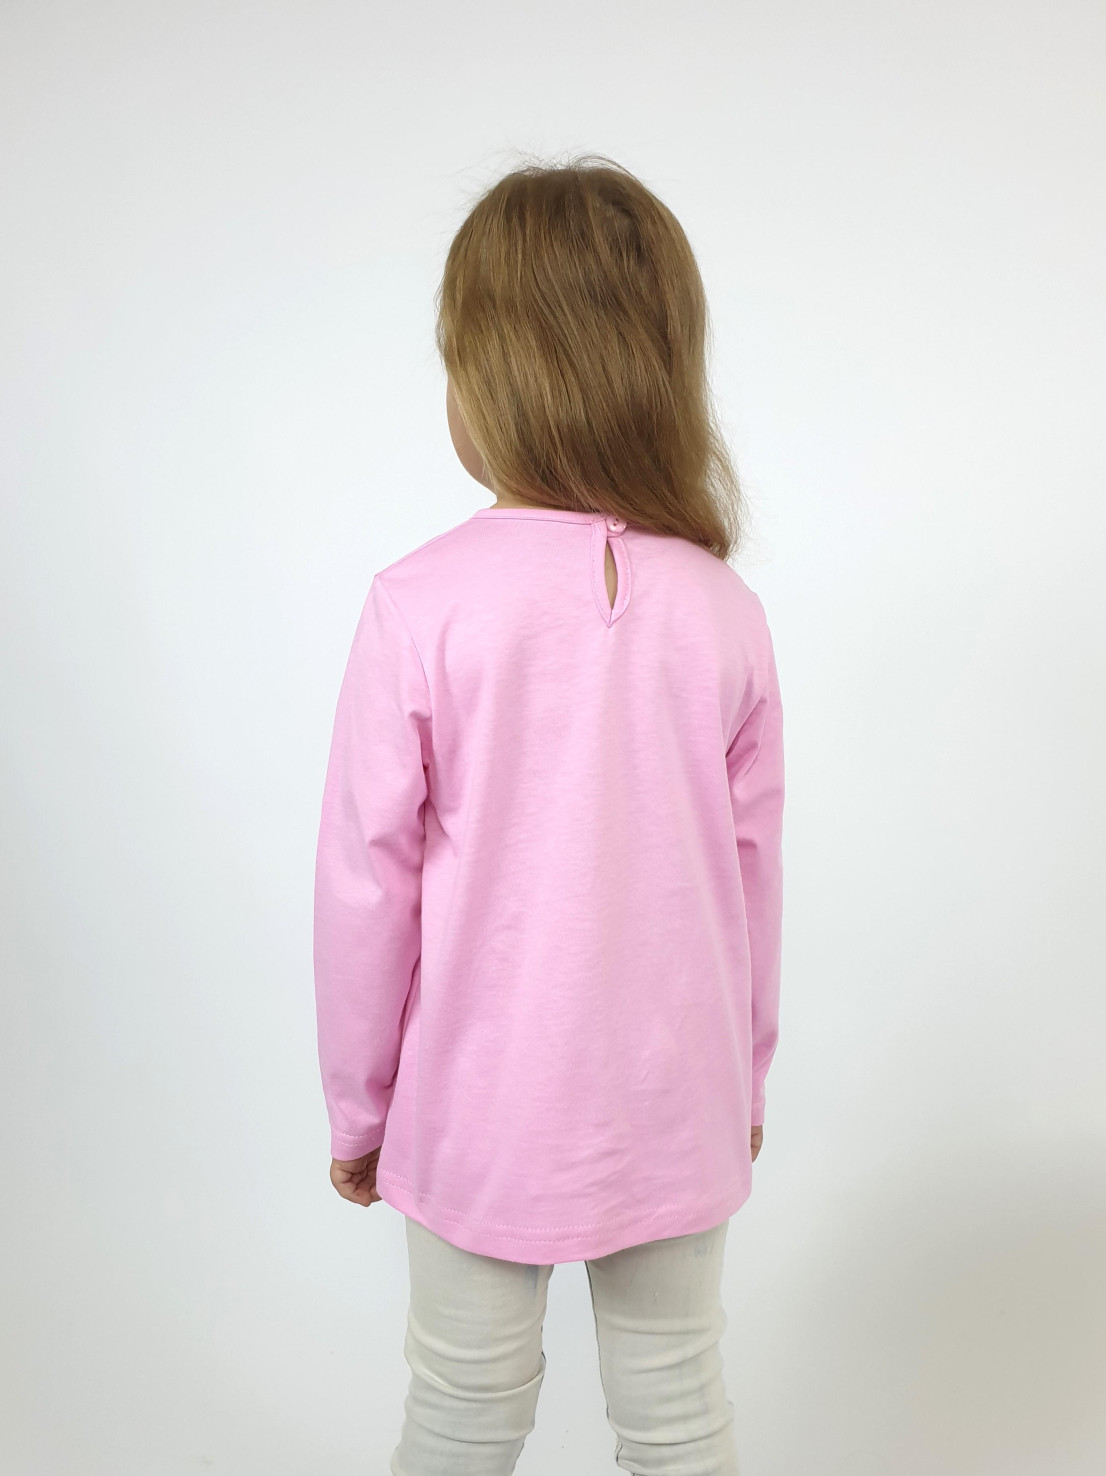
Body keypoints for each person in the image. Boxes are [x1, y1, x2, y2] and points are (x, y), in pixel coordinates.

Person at [313, 152, 785, 1476]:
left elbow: (367, 886)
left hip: (475, 1098)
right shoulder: (725, 611)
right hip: (677, 1094)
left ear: (496, 378)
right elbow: (751, 877)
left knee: (462, 1407)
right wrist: (740, 1083)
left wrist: (361, 1109)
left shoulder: (421, 604)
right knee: (678, 1406)